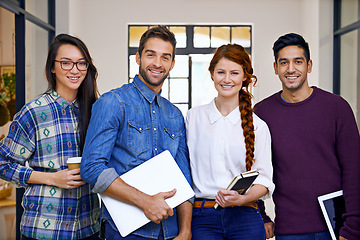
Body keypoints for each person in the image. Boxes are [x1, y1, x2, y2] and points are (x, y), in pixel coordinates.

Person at [80, 25, 192, 240]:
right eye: (151, 55)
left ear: (172, 64)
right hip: (128, 232)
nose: (157, 63)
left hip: (170, 232)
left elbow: (183, 176)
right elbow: (91, 167)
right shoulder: (113, 102)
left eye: (165, 57)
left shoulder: (175, 114)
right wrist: (146, 201)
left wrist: (185, 230)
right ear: (138, 58)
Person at [254, 33, 360, 240]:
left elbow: (354, 170)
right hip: (289, 229)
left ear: (309, 66)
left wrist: (353, 227)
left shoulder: (337, 107)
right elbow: (254, 168)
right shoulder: (262, 113)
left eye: (298, 62)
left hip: (336, 228)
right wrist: (263, 215)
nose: (291, 69)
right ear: (275, 68)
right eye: (284, 62)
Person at [0, 34, 101, 239]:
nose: (75, 70)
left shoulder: (95, 110)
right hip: (45, 229)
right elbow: (3, 163)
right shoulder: (34, 112)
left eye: (82, 64)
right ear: (52, 67)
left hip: (88, 227)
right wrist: (52, 178)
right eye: (66, 63)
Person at [185, 43, 274, 239]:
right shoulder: (193, 118)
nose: (227, 79)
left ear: (245, 77)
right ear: (211, 74)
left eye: (234, 73)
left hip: (246, 217)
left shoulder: (258, 127)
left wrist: (242, 198)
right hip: (202, 218)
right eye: (221, 72)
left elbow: (265, 181)